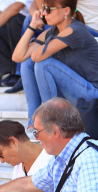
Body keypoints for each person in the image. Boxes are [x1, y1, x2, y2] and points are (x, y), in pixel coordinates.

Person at [13, 0, 98, 130]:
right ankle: (32, 123)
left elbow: (36, 56)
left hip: (92, 95)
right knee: (27, 63)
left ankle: (50, 122)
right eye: (43, 8)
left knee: (43, 64)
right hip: (76, 90)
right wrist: (32, 25)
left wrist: (41, 44)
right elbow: (17, 57)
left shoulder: (75, 30)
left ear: (66, 11)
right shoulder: (53, 32)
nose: (43, 13)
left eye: (48, 9)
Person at [0, 0, 33, 88]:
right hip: (17, 26)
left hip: (34, 26)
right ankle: (9, 73)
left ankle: (19, 73)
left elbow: (16, 7)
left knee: (14, 19)